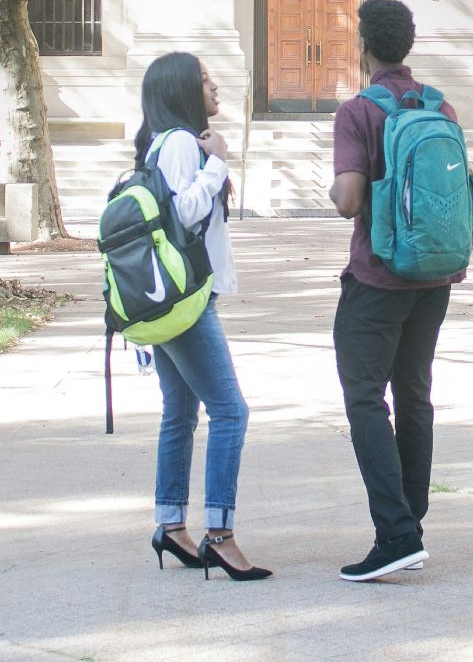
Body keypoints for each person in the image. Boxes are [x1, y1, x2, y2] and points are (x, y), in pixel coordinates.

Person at [326, 0, 465, 582]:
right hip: (434, 276)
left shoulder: (358, 111)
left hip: (378, 277)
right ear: (407, 45)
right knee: (414, 395)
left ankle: (396, 533)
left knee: (364, 399)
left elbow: (349, 201)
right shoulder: (441, 106)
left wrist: (334, 185)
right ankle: (412, 521)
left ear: (364, 47)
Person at [133, 52, 270, 581]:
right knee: (231, 412)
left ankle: (170, 525)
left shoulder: (160, 143)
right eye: (206, 80)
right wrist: (218, 163)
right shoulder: (183, 145)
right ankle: (220, 535)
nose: (216, 87)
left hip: (167, 297)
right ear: (182, 91)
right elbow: (185, 212)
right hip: (185, 300)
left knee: (181, 413)